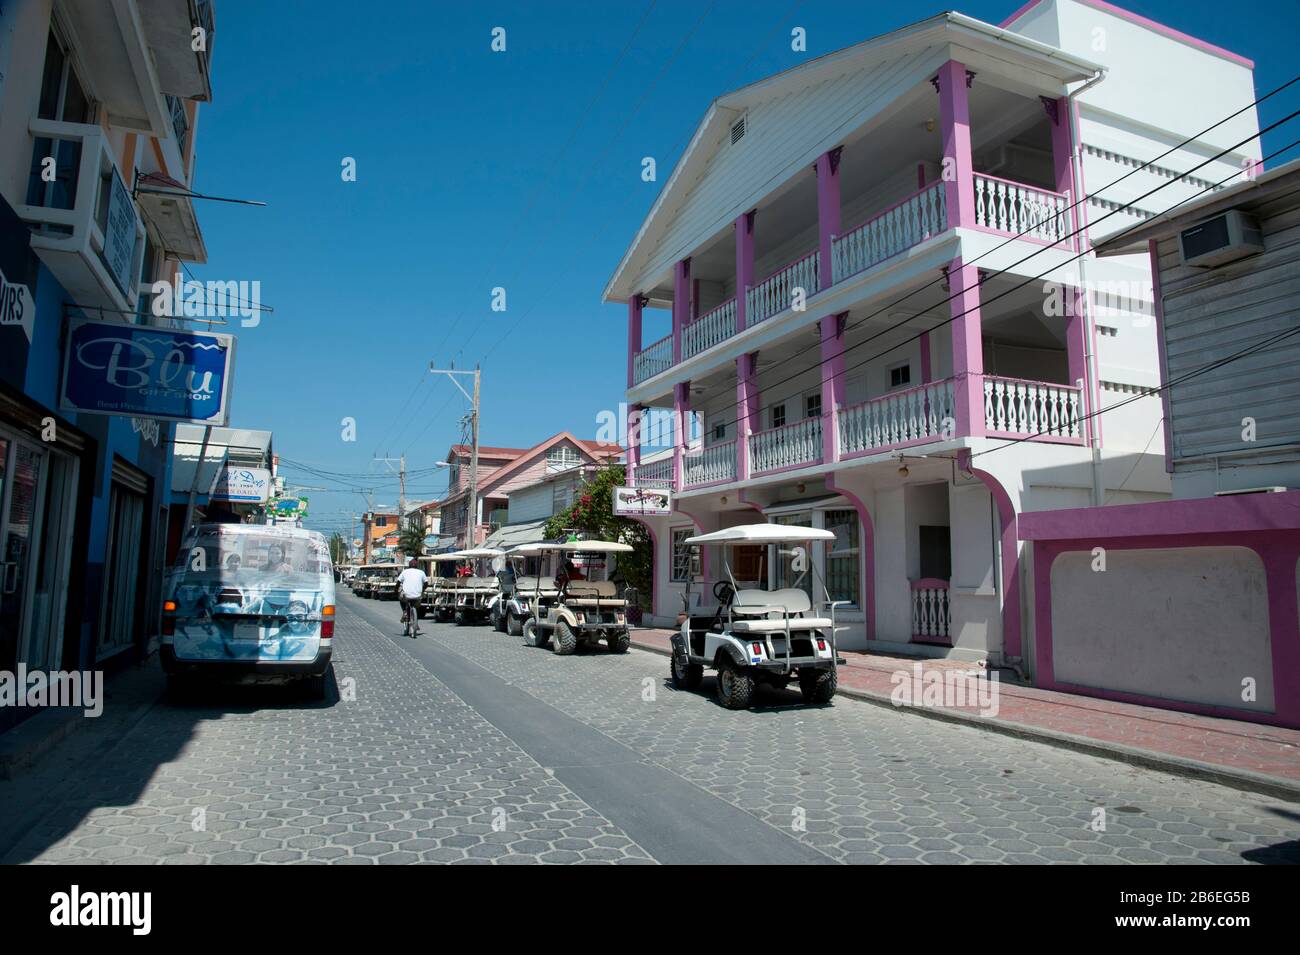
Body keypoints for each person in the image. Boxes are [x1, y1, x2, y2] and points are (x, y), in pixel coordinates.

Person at [396, 558, 428, 637]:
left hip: (406, 595)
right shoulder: (421, 572)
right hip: (417, 595)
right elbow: (426, 583)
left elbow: (398, 582)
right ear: (417, 566)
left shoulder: (405, 572)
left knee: (401, 598)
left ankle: (404, 612)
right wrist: (422, 590)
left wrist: (396, 591)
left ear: (409, 566)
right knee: (416, 605)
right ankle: (415, 619)